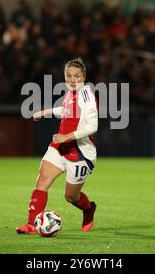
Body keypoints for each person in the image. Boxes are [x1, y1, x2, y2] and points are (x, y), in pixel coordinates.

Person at [16, 58, 98, 234]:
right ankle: (31, 224)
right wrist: (46, 112)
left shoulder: (86, 95)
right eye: (68, 76)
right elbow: (66, 110)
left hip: (80, 154)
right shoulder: (71, 92)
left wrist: (66, 136)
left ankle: (88, 209)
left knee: (71, 196)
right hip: (59, 148)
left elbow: (93, 126)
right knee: (42, 181)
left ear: (83, 76)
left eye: (76, 76)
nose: (72, 80)